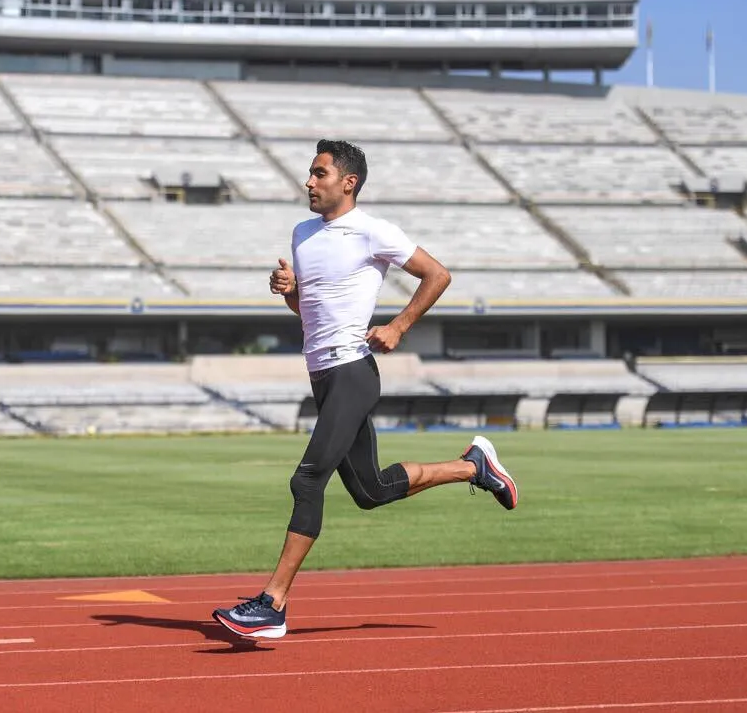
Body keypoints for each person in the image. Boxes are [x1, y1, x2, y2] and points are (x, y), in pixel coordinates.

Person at [211, 139, 518, 640]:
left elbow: (437, 275)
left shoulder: (372, 230)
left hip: (354, 371)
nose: (308, 182)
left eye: (319, 173)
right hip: (322, 374)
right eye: (309, 173)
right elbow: (308, 314)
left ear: (348, 183)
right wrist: (291, 293)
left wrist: (398, 326)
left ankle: (272, 604)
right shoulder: (303, 233)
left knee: (307, 482)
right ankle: (474, 466)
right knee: (370, 491)